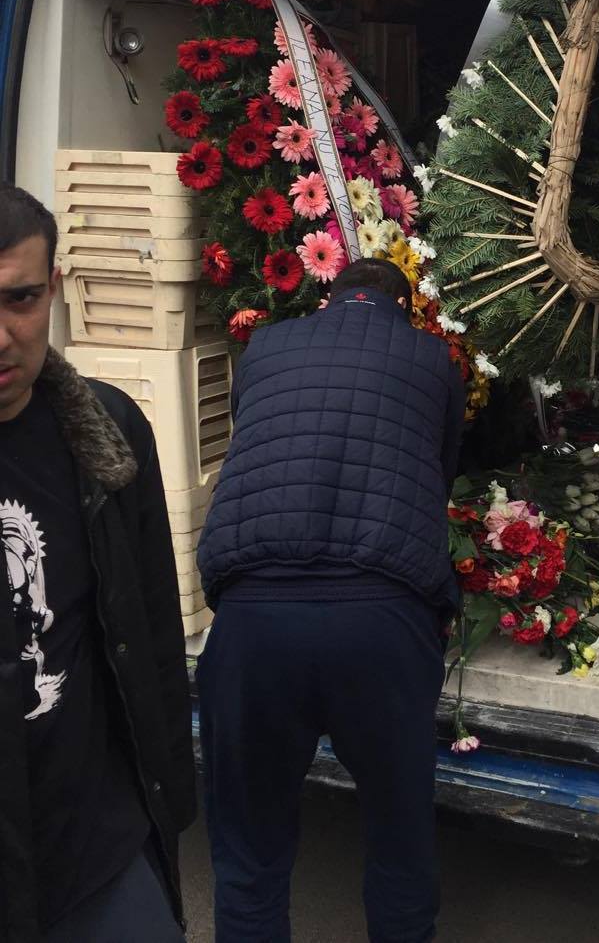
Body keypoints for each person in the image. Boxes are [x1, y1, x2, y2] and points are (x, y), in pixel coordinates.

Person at [197, 257, 466, 943]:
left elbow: (256, 435)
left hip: (253, 619)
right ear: (403, 309)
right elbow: (438, 470)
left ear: (328, 300)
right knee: (400, 838)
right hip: (381, 618)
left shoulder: (264, 347)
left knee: (249, 852)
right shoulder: (433, 359)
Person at [0, 183, 196, 943]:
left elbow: (150, 628)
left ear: (53, 288)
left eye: (19, 300)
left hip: (98, 851)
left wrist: (168, 797)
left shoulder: (107, 433)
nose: (1, 336)